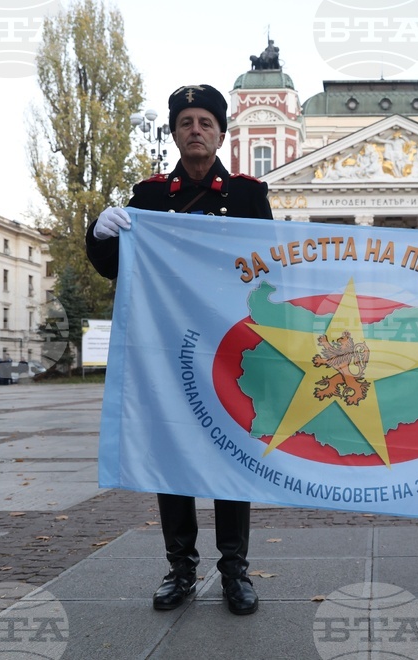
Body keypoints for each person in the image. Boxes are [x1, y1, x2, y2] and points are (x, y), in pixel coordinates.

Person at [87, 84, 272, 615]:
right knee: (173, 460)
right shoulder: (147, 197)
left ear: (220, 133)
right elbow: (112, 265)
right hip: (168, 352)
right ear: (174, 132)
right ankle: (181, 568)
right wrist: (100, 233)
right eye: (186, 121)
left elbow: (269, 267)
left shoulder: (245, 195)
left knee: (231, 458)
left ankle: (235, 569)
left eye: (205, 122)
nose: (196, 130)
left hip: (231, 349)